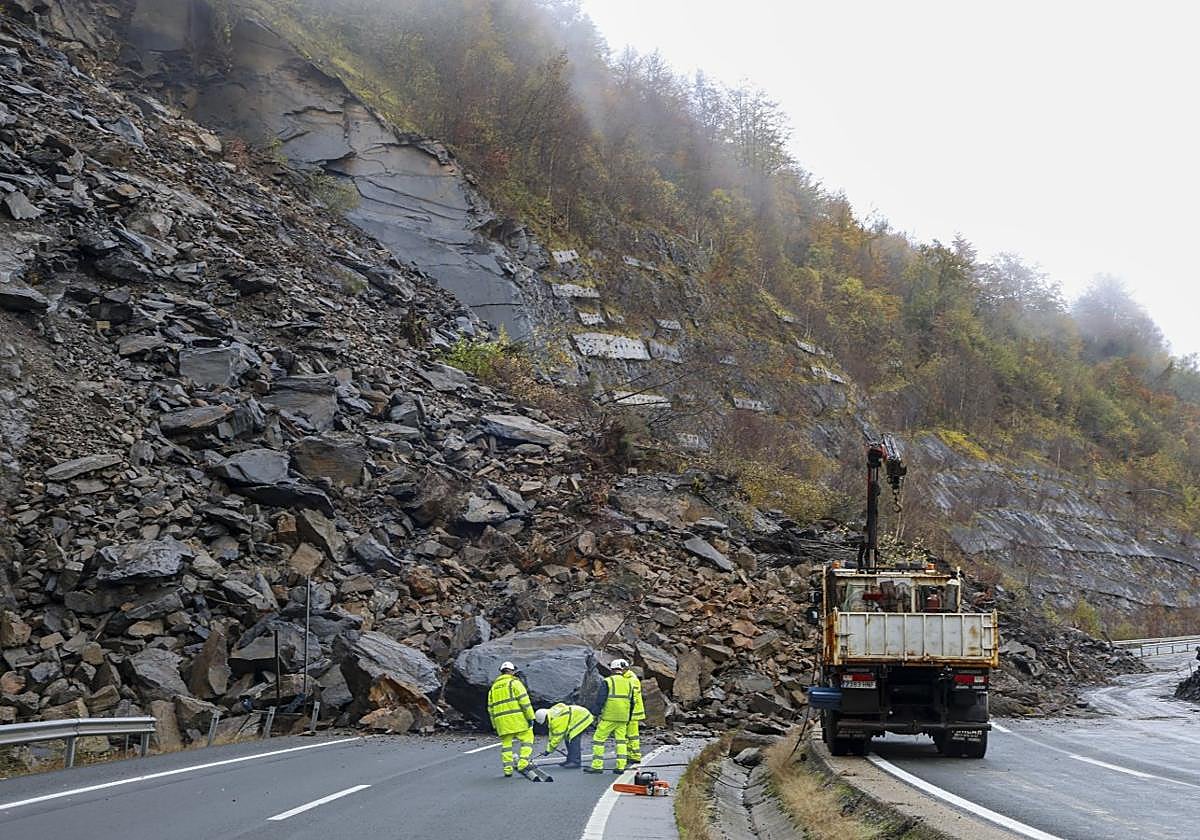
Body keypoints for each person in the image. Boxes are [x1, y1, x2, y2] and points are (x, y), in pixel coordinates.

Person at [586, 659, 635, 775]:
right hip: (623, 717)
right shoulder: (629, 683)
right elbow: (632, 702)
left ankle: (597, 766)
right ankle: (620, 766)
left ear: (612, 669)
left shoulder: (608, 681)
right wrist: (628, 717)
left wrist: (594, 714)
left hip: (609, 716)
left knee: (598, 739)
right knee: (621, 741)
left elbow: (600, 700)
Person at [487, 661, 535, 778]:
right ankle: (523, 763)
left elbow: (490, 709)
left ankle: (508, 769)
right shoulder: (514, 683)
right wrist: (530, 717)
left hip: (502, 723)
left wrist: (495, 725)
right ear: (512, 671)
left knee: (506, 745)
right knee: (527, 739)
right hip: (518, 720)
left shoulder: (493, 688)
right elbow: (525, 702)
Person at [536, 703, 594, 769]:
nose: (545, 724)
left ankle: (575, 762)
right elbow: (552, 735)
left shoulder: (557, 720)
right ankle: (570, 760)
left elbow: (557, 738)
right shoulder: (552, 715)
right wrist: (548, 749)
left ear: (545, 719)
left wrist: (549, 751)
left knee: (573, 739)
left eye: (544, 723)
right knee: (567, 739)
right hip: (578, 716)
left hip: (582, 717)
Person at [620, 661, 646, 764]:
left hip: (632, 713)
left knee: (631, 735)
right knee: (629, 735)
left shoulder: (631, 679)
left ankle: (634, 755)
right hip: (630, 712)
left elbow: (632, 697)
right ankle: (631, 755)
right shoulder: (628, 678)